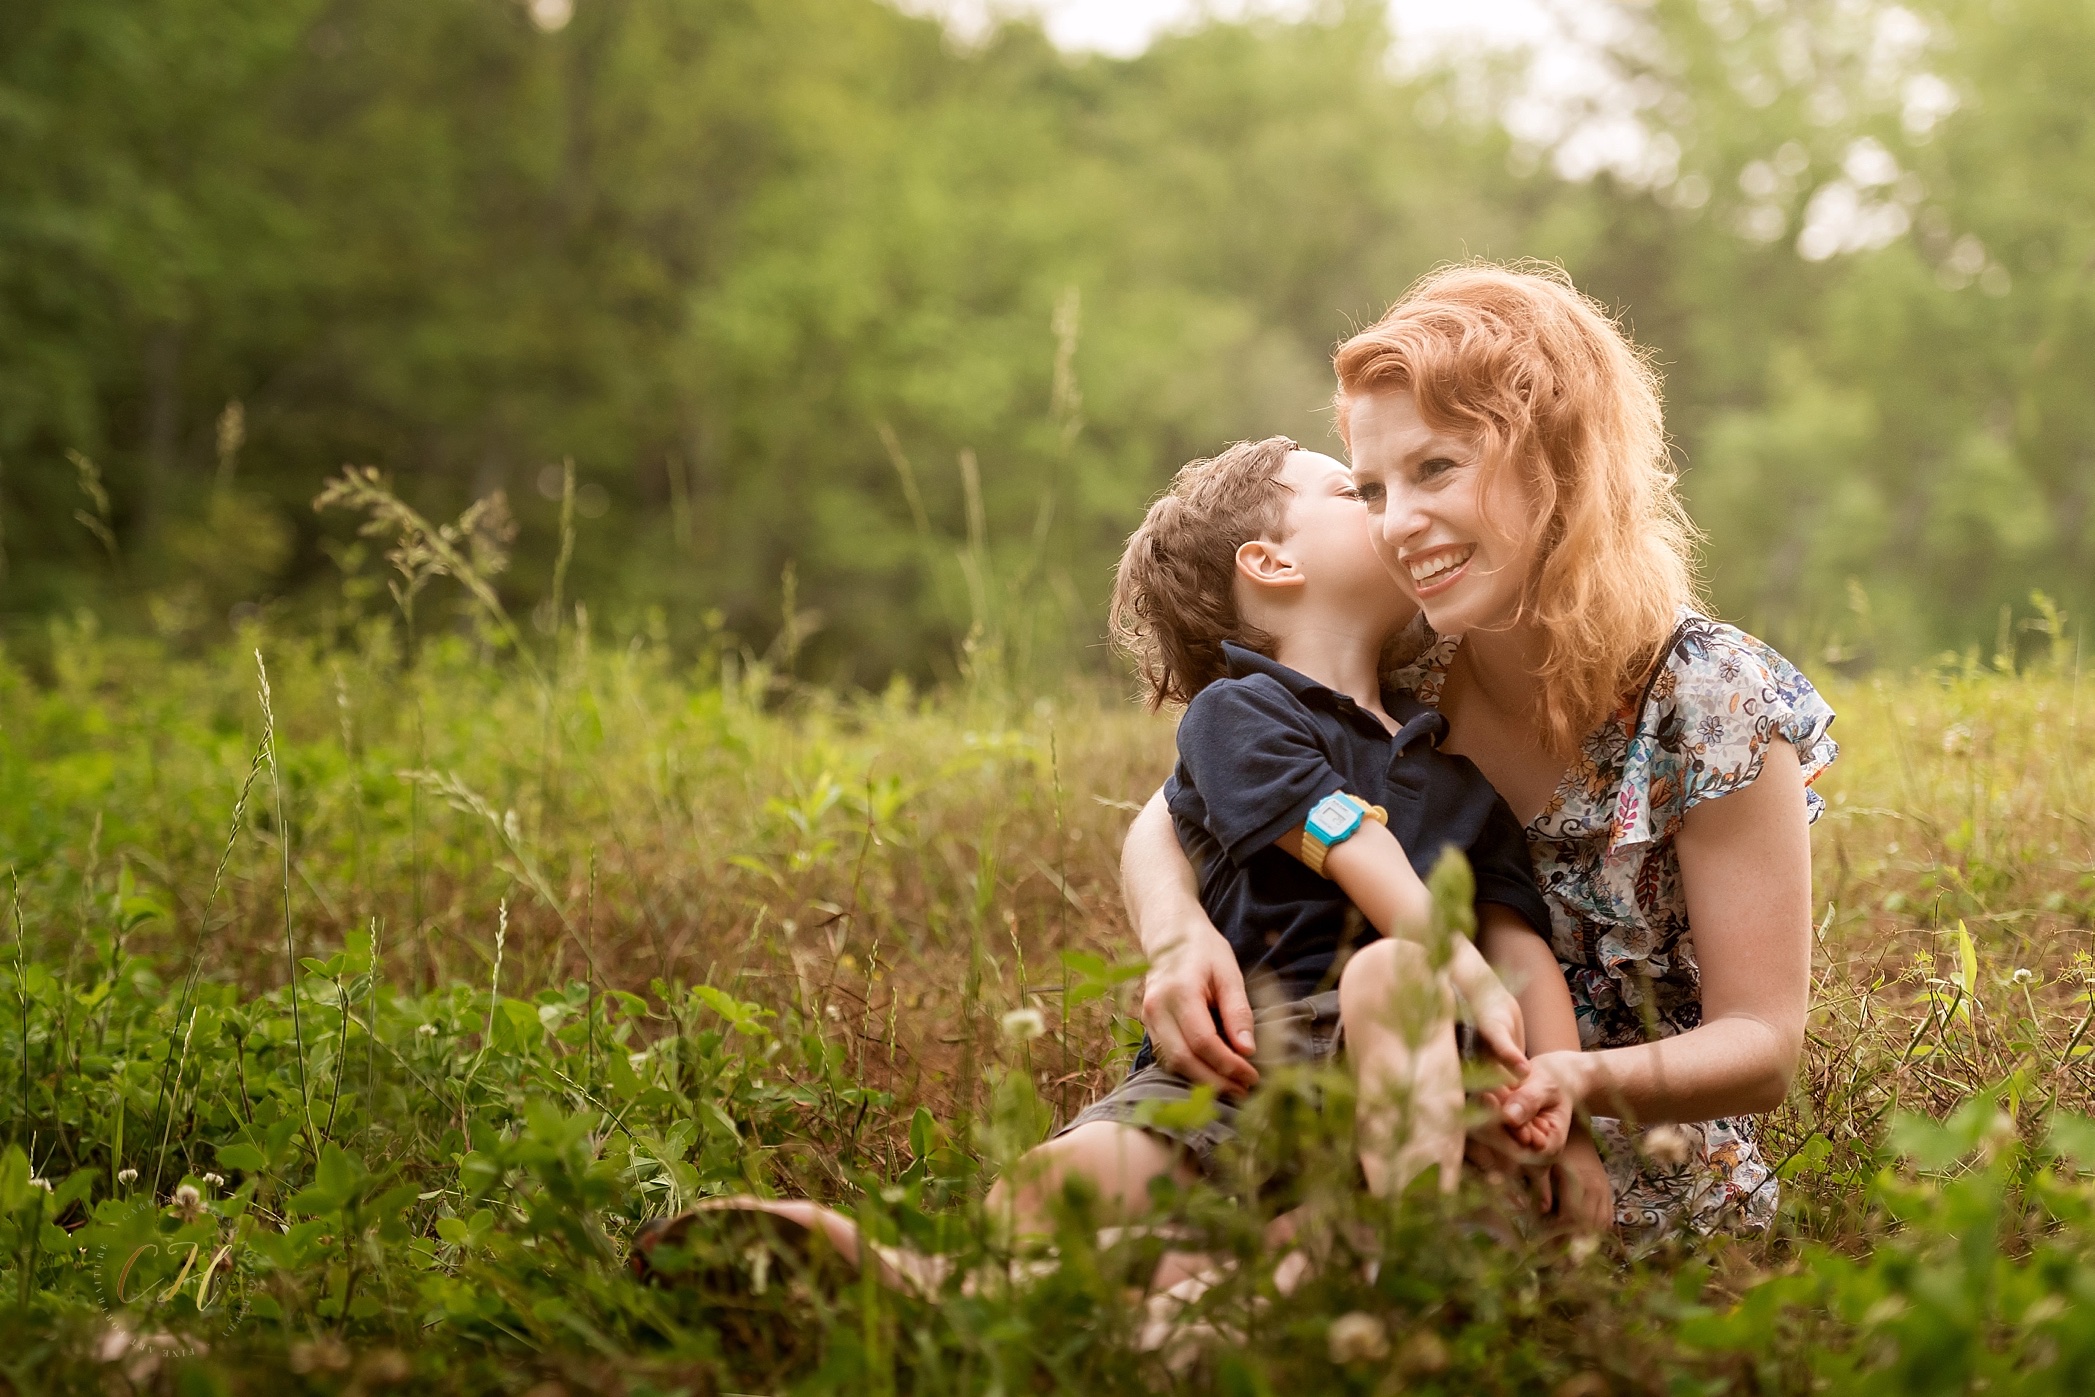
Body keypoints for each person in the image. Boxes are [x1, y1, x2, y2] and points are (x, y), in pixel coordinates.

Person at [1122, 262, 1837, 1235]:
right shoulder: (1405, 667)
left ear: (1559, 459)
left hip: (1608, 1160)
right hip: (1389, 1104)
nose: (1398, 525)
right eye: (1370, 489)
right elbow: (1184, 798)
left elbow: (1762, 1043)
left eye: (1436, 469)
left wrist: (1566, 1082)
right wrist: (1176, 933)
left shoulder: (1708, 702)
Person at [992, 435, 1592, 1237]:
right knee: (1035, 1197)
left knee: (1395, 973)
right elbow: (1331, 828)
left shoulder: (1458, 780)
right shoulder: (1236, 712)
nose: (1391, 517)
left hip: (1414, 1064)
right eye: (1357, 494)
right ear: (1270, 563)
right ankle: (923, 1279)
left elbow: (1518, 950)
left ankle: (1393, 1246)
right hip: (1243, 1061)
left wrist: (1567, 1111)